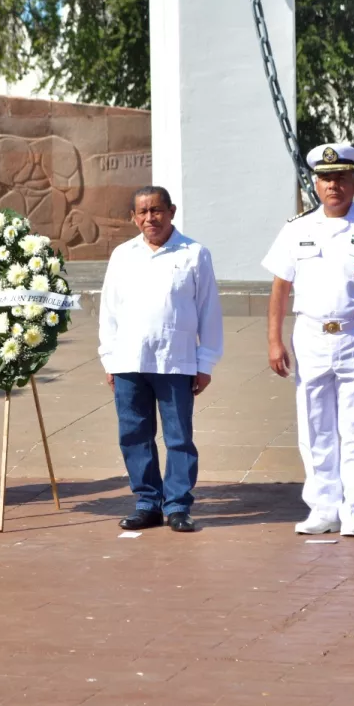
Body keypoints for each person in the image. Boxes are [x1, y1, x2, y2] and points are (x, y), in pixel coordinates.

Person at [261, 144, 354, 537]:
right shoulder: (297, 229)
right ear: (315, 183)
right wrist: (274, 341)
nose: (334, 186)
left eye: (342, 178)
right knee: (314, 425)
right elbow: (279, 288)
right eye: (326, 179)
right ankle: (322, 507)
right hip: (310, 334)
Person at [98, 185, 224, 533]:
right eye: (142, 212)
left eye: (156, 210)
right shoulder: (123, 255)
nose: (150, 218)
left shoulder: (194, 253)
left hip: (176, 360)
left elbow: (208, 310)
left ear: (171, 211)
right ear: (133, 217)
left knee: (179, 436)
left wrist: (205, 362)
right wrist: (109, 358)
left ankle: (179, 506)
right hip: (128, 361)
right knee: (134, 434)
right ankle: (147, 503)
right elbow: (109, 310)